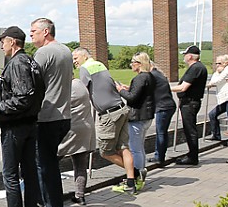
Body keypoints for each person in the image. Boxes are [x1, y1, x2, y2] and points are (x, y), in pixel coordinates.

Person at [0, 26, 44, 207]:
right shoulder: (31, 62)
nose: (1, 46)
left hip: (15, 126)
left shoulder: (17, 63)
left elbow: (23, 97)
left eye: (3, 42)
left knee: (10, 174)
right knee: (30, 172)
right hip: (30, 124)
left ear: (13, 42)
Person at [72, 48, 138, 194]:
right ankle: (131, 181)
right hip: (121, 108)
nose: (74, 61)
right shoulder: (100, 64)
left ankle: (136, 173)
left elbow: (82, 92)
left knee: (105, 152)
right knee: (123, 147)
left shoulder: (85, 68)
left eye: (76, 58)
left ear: (84, 56)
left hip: (109, 114)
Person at [29, 17, 72, 207]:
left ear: (45, 32)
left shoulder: (43, 53)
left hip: (47, 116)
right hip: (64, 115)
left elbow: (31, 82)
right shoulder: (66, 50)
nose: (30, 35)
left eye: (33, 31)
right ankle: (53, 203)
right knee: (50, 161)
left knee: (44, 164)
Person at [115, 51, 155, 182]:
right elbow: (141, 93)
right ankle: (142, 170)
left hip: (137, 117)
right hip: (147, 116)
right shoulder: (150, 76)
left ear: (139, 64)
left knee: (134, 149)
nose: (131, 64)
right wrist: (130, 88)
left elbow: (132, 98)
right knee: (140, 147)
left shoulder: (139, 78)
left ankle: (137, 174)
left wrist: (120, 90)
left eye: (133, 62)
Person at [58, 78, 95, 205]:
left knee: (52, 161)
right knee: (80, 164)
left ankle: (54, 196)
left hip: (71, 129)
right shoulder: (79, 84)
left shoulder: (66, 89)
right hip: (85, 128)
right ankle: (80, 195)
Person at [171, 45, 209, 165]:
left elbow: (183, 87)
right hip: (191, 102)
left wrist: (165, 88)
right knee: (189, 129)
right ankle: (191, 154)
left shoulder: (195, 68)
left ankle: (193, 157)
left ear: (190, 56)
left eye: (185, 55)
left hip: (189, 103)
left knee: (190, 129)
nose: (184, 57)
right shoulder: (199, 67)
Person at [205, 54, 228, 145]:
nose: (217, 65)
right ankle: (216, 135)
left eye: (219, 63)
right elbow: (213, 80)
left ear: (225, 63)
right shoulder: (220, 71)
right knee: (212, 114)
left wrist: (216, 76)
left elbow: (217, 81)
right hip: (224, 98)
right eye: (216, 63)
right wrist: (217, 72)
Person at [149, 61, 177, 163]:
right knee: (163, 132)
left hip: (163, 107)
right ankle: (161, 155)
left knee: (160, 133)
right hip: (168, 105)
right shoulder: (159, 74)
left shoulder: (152, 75)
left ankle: (159, 157)